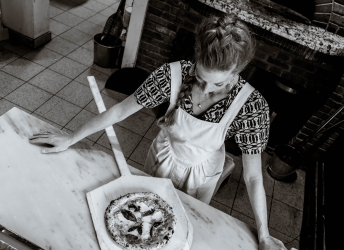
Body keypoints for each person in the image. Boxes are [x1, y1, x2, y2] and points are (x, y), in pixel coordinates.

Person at [29, 13, 292, 250]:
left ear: (239, 70)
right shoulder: (171, 75)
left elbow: (254, 176)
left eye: (219, 83)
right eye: (201, 79)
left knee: (176, 228)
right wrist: (71, 137)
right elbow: (119, 111)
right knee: (145, 218)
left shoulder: (252, 106)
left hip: (202, 173)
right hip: (162, 157)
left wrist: (264, 235)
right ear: (196, 57)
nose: (208, 89)